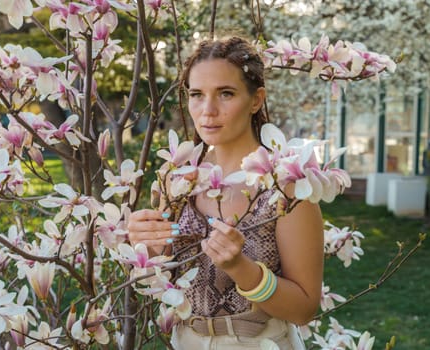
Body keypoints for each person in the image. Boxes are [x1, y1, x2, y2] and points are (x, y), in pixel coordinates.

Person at [128, 37, 324, 350]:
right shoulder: (177, 177)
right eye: (196, 95)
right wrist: (144, 246)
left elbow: (304, 309)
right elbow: (157, 280)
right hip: (185, 342)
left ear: (256, 100)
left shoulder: (286, 186)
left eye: (226, 94)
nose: (208, 110)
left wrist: (242, 270)